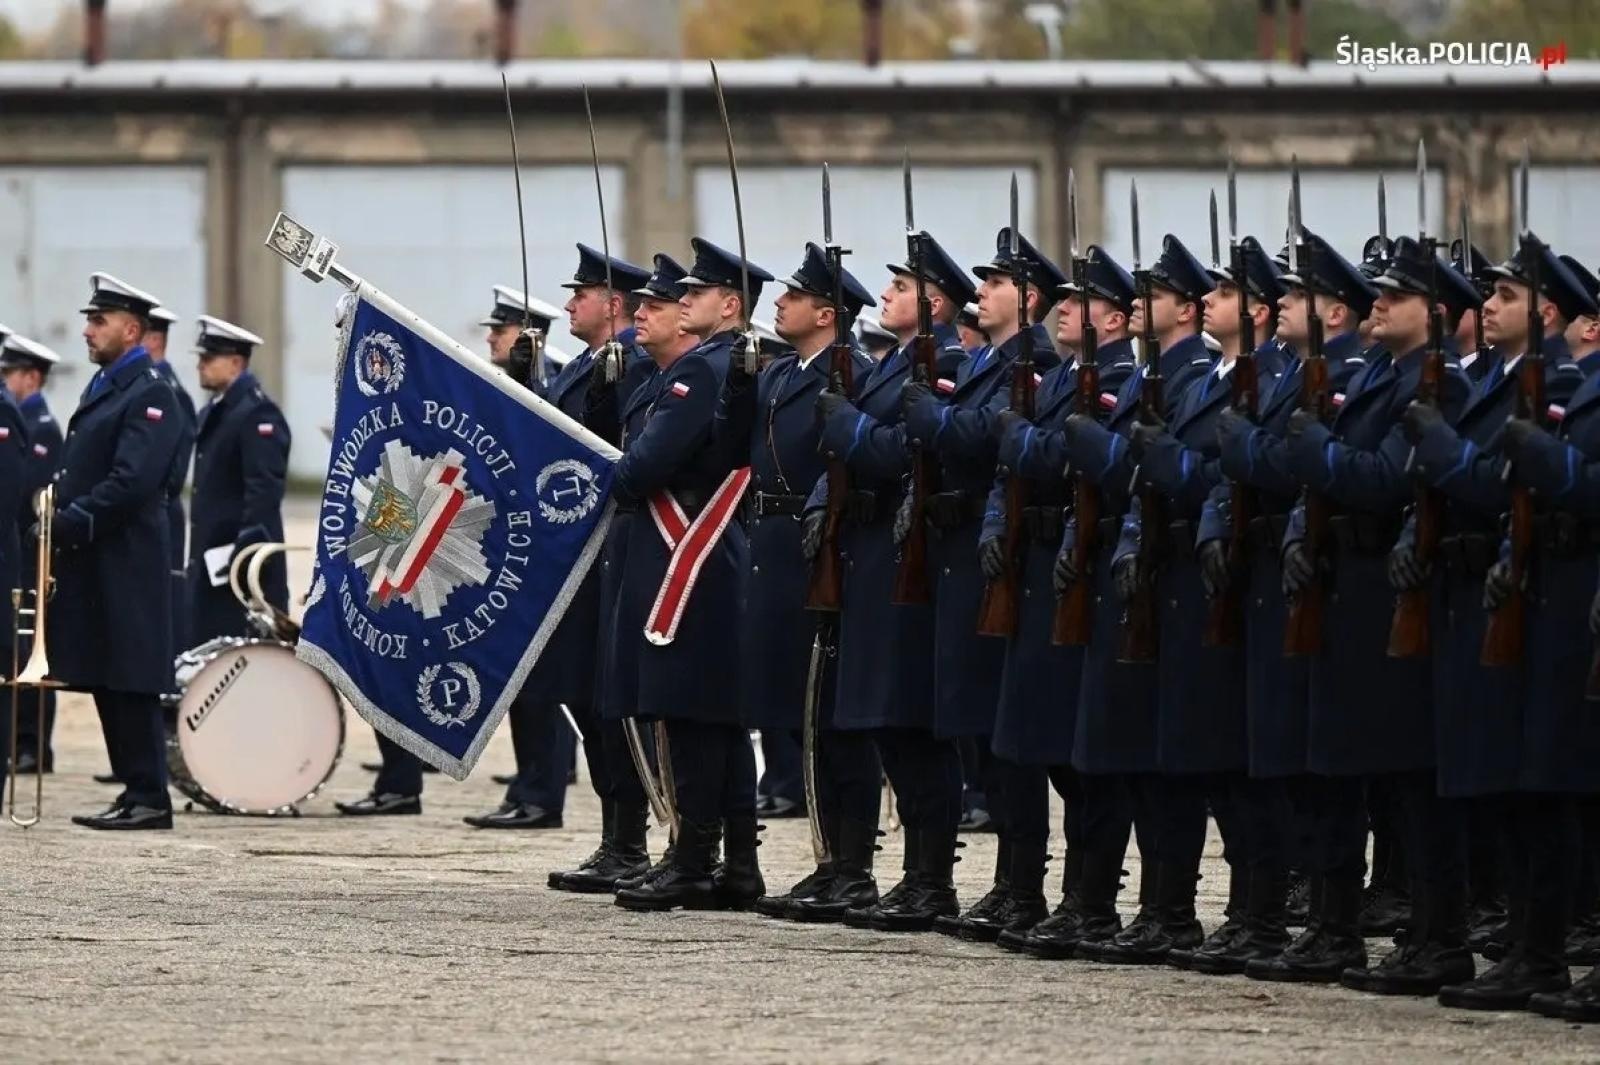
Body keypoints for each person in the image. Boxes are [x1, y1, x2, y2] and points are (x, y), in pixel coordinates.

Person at [1405, 238, 1593, 1009]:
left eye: (1510, 297)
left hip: (1562, 595)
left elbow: (1513, 484)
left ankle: (1543, 949)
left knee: (1555, 790)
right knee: (1515, 790)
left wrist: (1459, 454)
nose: (1491, 305)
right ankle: (1528, 948)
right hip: (1513, 591)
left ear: (1548, 313)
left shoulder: (1567, 387)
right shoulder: (1499, 382)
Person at [901, 226, 1066, 940]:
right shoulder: (987, 360)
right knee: (979, 727)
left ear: (1028, 298)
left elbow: (981, 438)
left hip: (990, 551)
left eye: (996, 283)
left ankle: (1024, 882)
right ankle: (1007, 881)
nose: (983, 292)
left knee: (1007, 731)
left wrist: (931, 417)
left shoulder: (1032, 362)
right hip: (959, 551)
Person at [806, 230, 972, 930]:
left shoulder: (947, 364)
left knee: (911, 723)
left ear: (934, 302)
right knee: (883, 723)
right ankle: (907, 875)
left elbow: (903, 452)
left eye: (902, 288)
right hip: (868, 555)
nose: (887, 294)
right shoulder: (886, 363)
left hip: (908, 557)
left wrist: (843, 425)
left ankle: (930, 878)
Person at [611, 238, 773, 912]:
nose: (680, 303)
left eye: (692, 295)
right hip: (697, 552)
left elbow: (638, 470)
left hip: (693, 557)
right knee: (713, 716)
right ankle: (734, 862)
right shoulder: (702, 366)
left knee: (694, 714)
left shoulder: (704, 371)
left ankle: (695, 858)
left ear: (728, 306)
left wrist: (626, 468)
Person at [719, 240, 878, 920]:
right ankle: (823, 858)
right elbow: (736, 449)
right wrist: (736, 382)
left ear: (828, 311)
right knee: (799, 712)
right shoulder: (781, 374)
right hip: (773, 546)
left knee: (834, 715)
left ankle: (852, 864)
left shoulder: (852, 372)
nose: (777, 302)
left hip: (824, 548)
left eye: (793, 295)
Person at [986, 245, 1138, 953]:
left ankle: (1092, 898)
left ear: (1115, 318)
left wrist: (1020, 439)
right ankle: (1047, 890)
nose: (1063, 310)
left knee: (1086, 749)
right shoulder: (1060, 380)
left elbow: (1057, 458)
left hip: (1086, 565)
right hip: (1042, 562)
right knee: (1039, 738)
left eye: (1081, 304)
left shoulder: (1116, 379)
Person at [54, 273, 184, 830]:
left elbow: (133, 480)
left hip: (128, 556)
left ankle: (151, 795)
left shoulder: (151, 393)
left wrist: (75, 518)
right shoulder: (110, 384)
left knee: (131, 673)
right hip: (100, 557)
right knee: (108, 670)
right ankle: (134, 790)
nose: (87, 331)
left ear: (131, 330)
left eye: (97, 321)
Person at [186, 316, 291, 643]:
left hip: (240, 571)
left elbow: (263, 492)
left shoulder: (257, 414)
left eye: (208, 358)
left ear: (235, 363)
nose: (200, 365)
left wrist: (240, 560)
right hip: (213, 563)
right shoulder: (216, 412)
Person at [1, 333, 63, 774]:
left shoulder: (39, 426)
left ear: (31, 377)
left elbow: (26, 493)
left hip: (24, 551)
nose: (6, 381)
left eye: (10, 374)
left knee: (27, 651)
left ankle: (32, 743)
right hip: (18, 549)